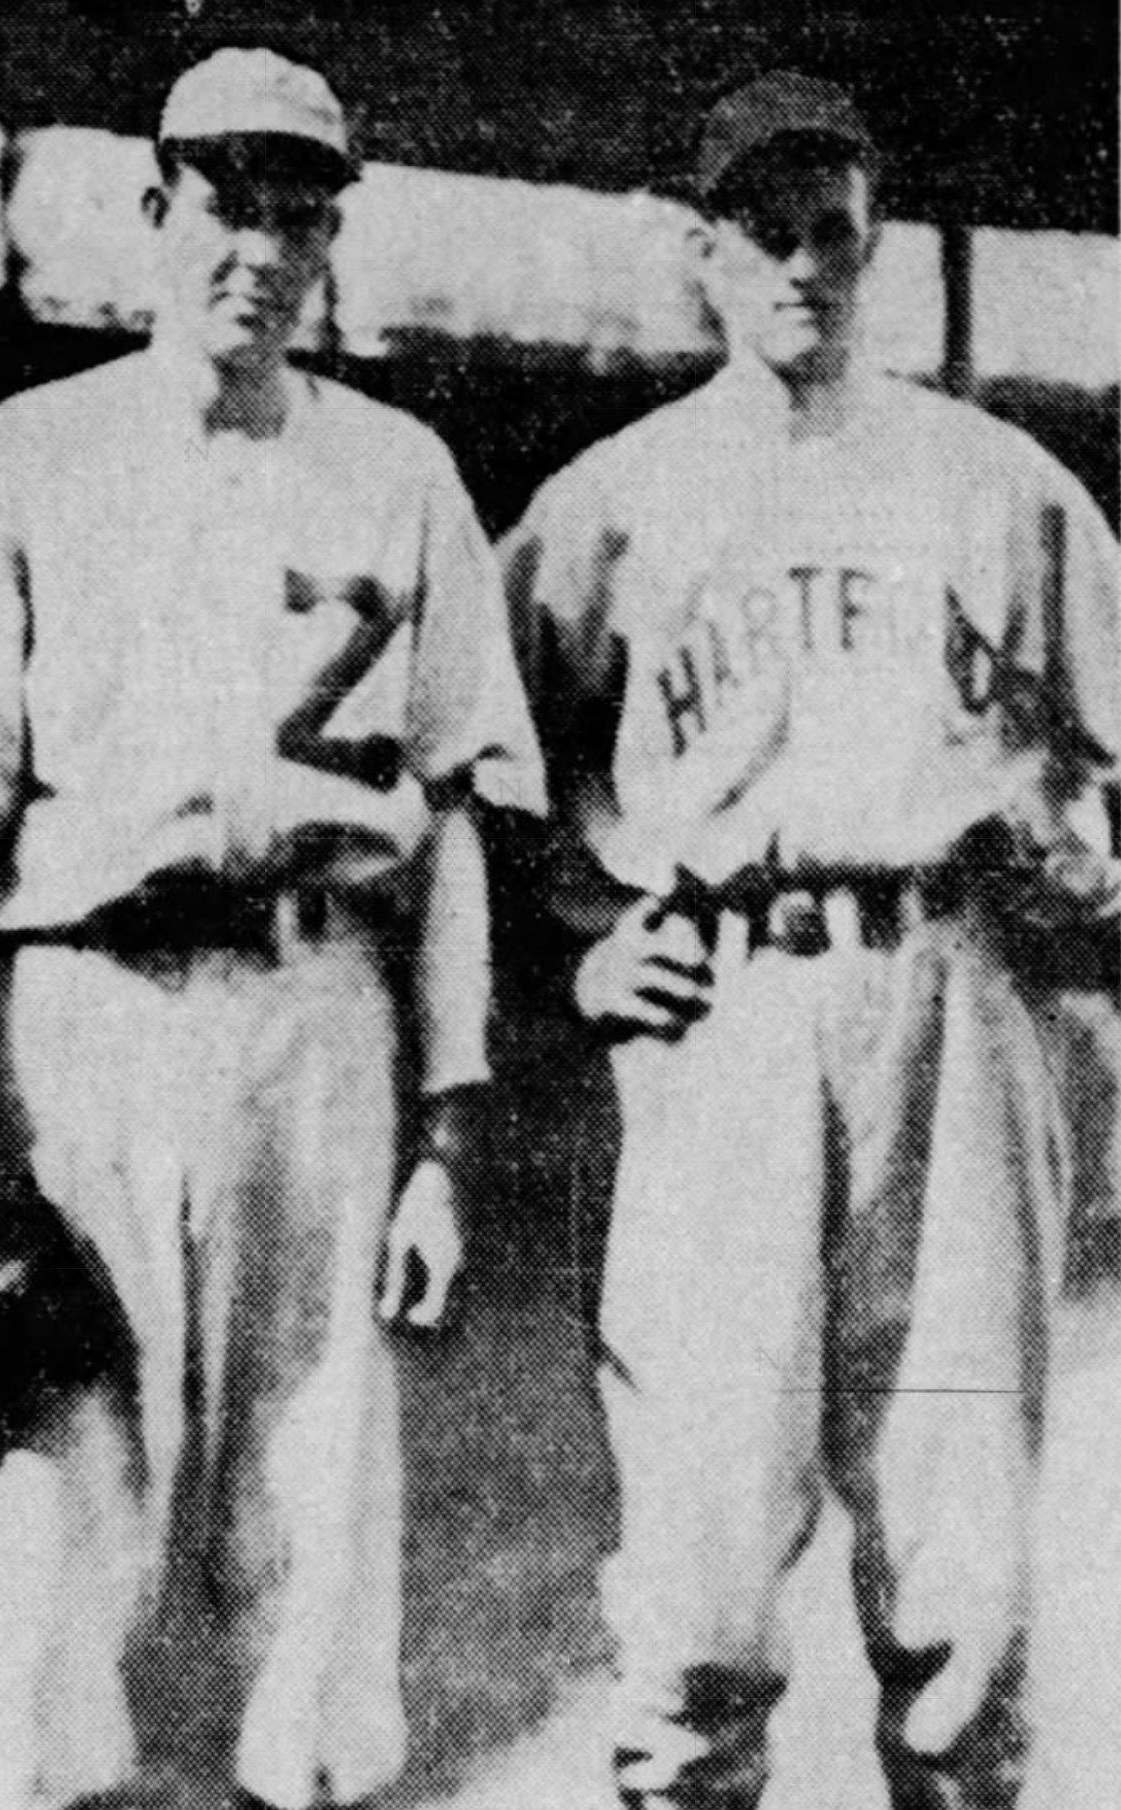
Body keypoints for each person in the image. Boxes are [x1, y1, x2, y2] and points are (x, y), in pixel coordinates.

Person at [0, 46, 543, 1810]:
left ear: (333, 236)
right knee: (55, 1534)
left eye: (297, 210)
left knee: (318, 1535)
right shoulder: (24, 458)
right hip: (82, 1022)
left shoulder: (401, 472)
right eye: (223, 202)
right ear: (152, 209)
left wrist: (445, 1135)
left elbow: (459, 824)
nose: (257, 246)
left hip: (312, 1015)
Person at [502, 69, 1118, 1810]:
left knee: (965, 1573)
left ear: (874, 244)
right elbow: (468, 767)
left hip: (949, 1001)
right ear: (702, 254)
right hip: (724, 1022)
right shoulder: (608, 501)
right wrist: (585, 939)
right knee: (696, 1581)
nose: (797, 266)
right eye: (758, 233)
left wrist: (1078, 903)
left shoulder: (1001, 485)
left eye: (826, 231)